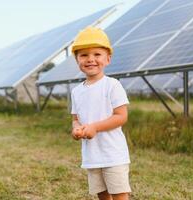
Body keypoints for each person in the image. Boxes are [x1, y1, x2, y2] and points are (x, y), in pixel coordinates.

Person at [70, 26, 131, 200]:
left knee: (118, 194)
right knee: (102, 194)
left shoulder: (112, 85)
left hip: (113, 154)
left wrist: (95, 127)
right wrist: (76, 129)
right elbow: (76, 119)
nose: (90, 59)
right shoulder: (76, 91)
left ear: (108, 59)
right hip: (92, 155)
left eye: (97, 54)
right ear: (77, 60)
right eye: (84, 55)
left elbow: (121, 116)